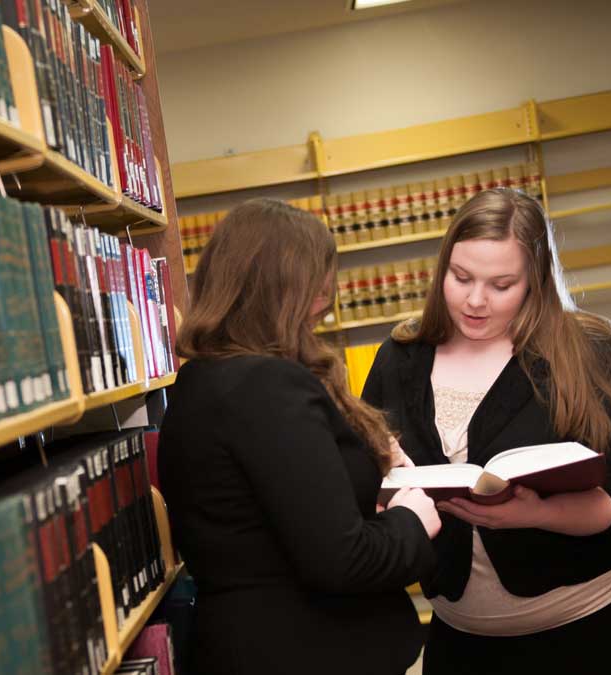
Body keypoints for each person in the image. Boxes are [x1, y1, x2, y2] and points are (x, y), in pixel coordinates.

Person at [361, 188, 611, 674]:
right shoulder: (401, 355)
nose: (475, 300)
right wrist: (380, 485)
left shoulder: (594, 354)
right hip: (466, 640)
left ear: (535, 281)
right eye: (461, 277)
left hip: (601, 631)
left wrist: (537, 512)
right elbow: (369, 468)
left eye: (501, 284)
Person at [158, 198, 441, 675]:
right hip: (311, 649)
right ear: (283, 289)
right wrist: (412, 519)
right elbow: (341, 561)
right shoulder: (267, 385)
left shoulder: (198, 382)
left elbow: (263, 523)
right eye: (316, 290)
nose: (321, 307)